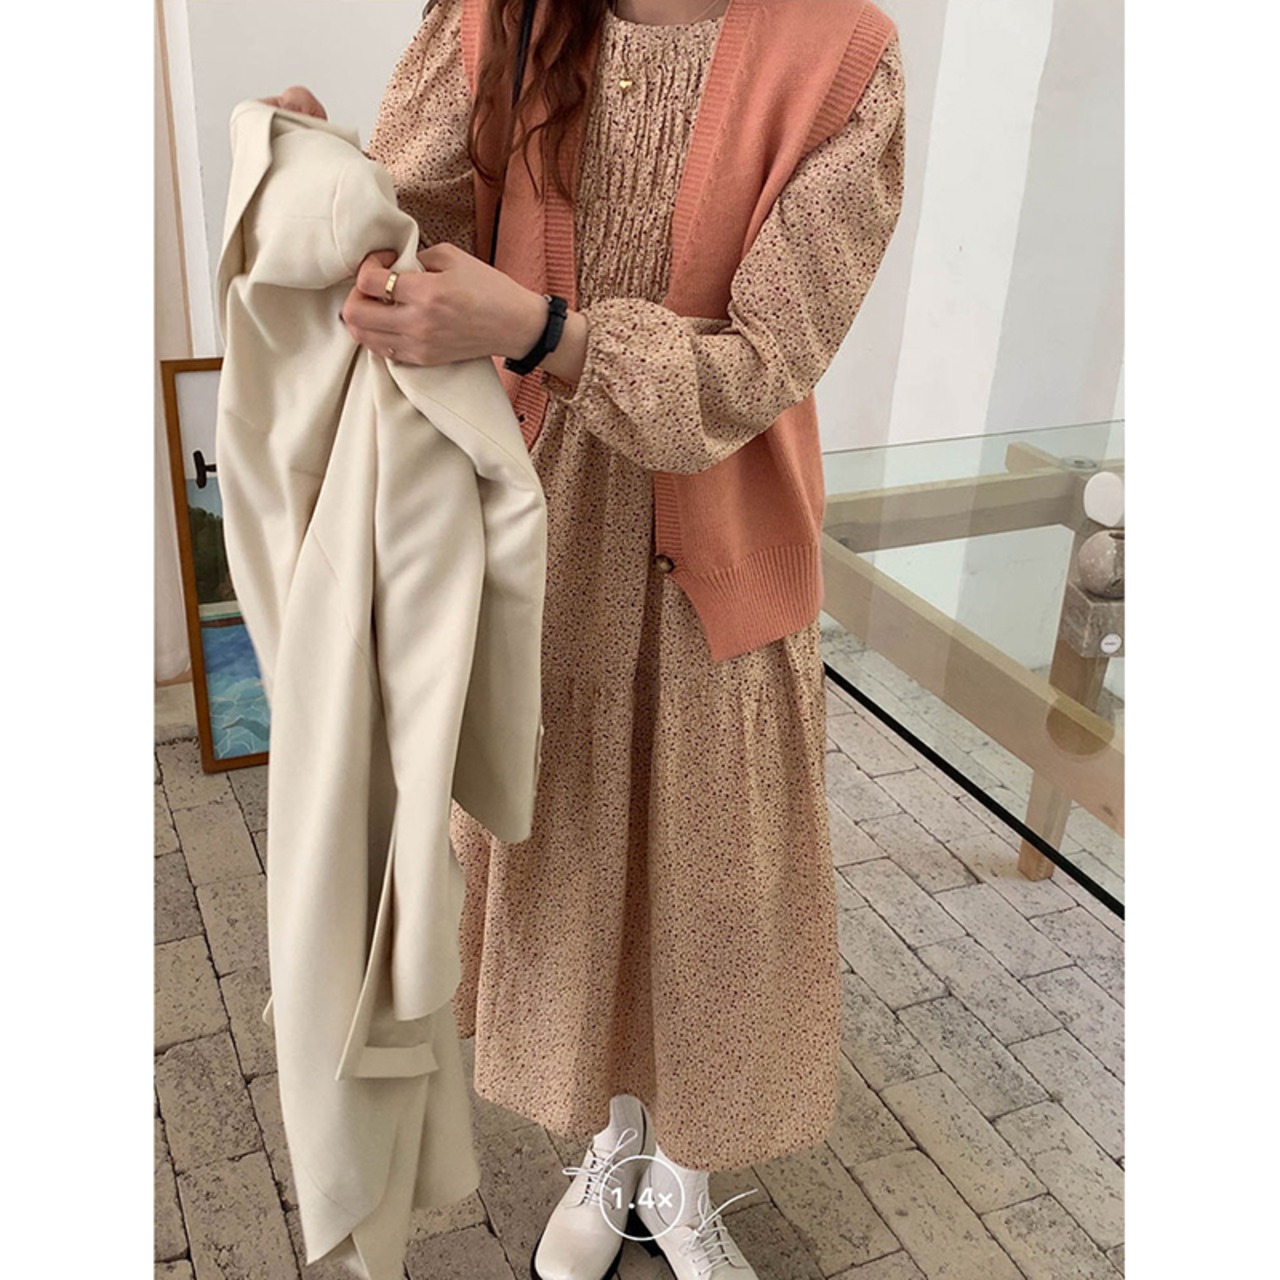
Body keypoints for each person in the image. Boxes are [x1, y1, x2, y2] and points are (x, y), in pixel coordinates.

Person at [264, 0, 904, 1275]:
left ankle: (683, 1169)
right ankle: (614, 1141)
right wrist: (324, 197)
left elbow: (761, 362)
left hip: (716, 560)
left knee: (709, 898)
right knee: (570, 876)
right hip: (534, 557)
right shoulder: (500, 16)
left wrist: (538, 331)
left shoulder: (841, 58)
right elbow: (420, 227)